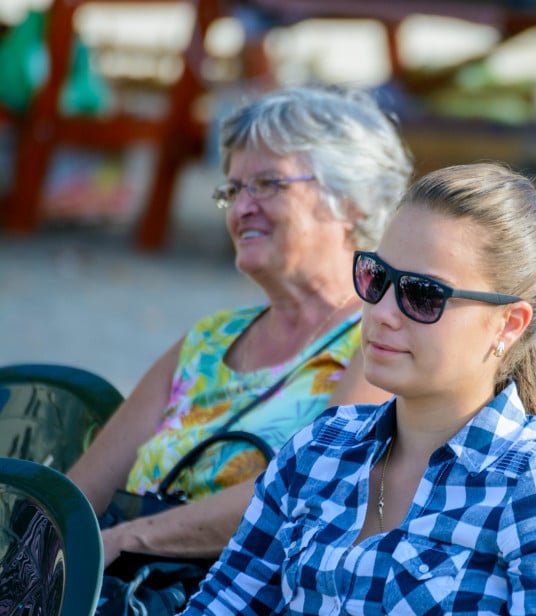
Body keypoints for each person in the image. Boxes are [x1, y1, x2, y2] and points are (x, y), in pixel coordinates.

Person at [160, 163, 536, 616]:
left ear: (508, 324)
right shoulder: (320, 448)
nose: (380, 312)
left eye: (423, 294)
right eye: (376, 277)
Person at [67, 84, 413, 567]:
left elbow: (306, 490)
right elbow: (80, 495)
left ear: (352, 201)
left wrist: (129, 540)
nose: (241, 206)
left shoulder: (382, 336)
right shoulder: (209, 341)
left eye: (269, 183)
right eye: (232, 189)